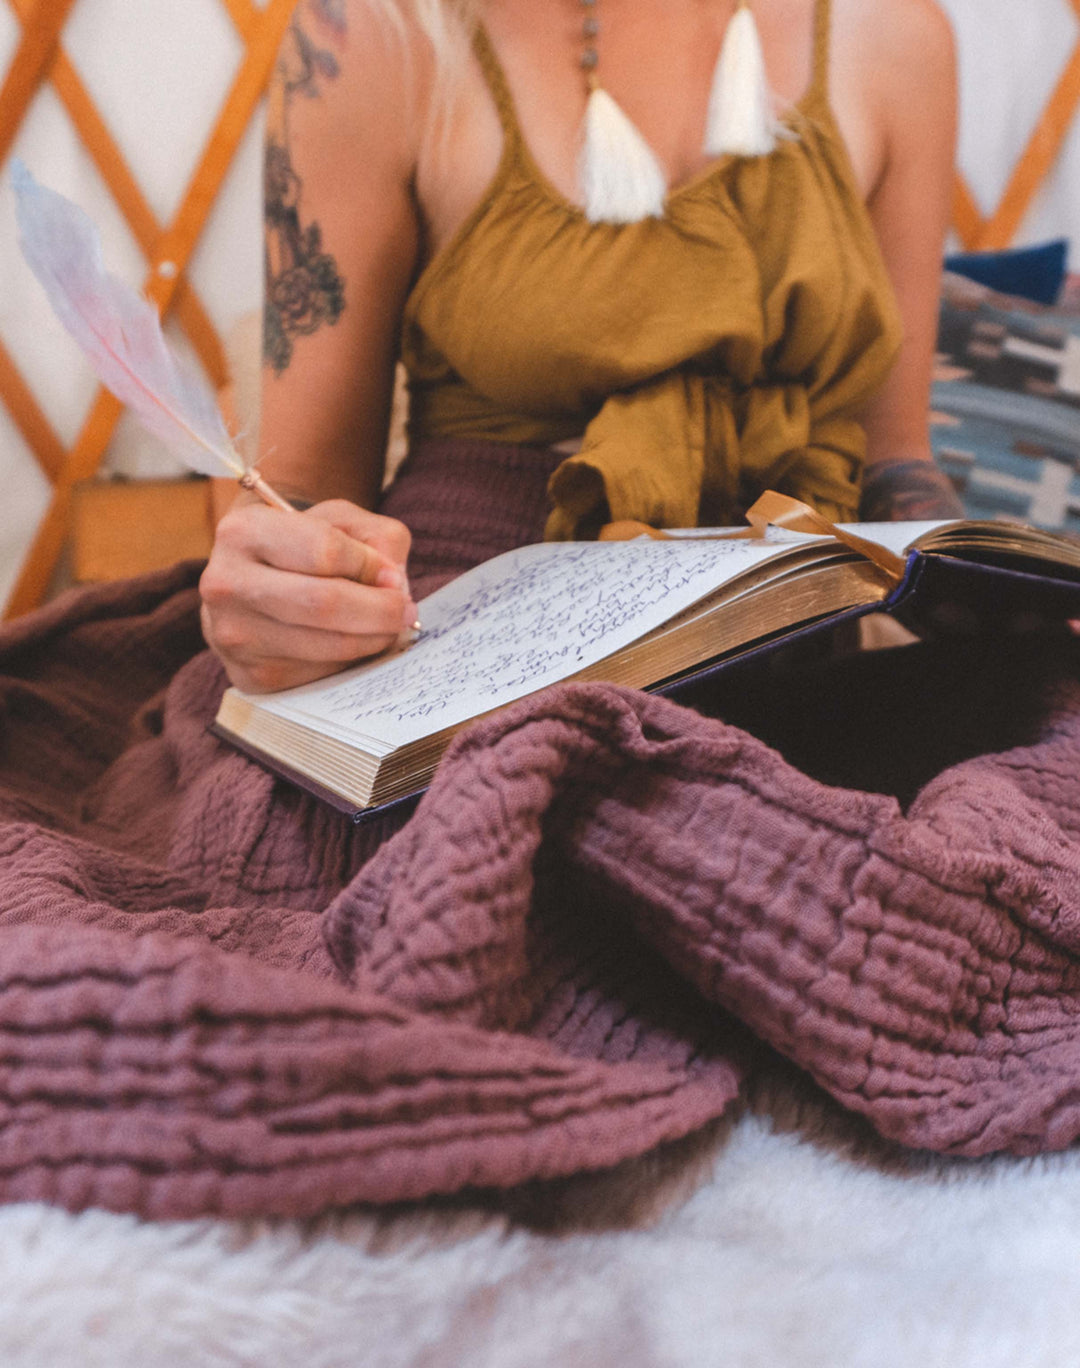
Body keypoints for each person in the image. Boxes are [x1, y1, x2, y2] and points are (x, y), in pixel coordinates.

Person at [200, 0, 962, 694]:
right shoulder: (375, 29)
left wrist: (1005, 587)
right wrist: (279, 592)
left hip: (788, 646)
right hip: (468, 651)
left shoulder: (894, 33)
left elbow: (894, 464)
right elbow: (304, 494)